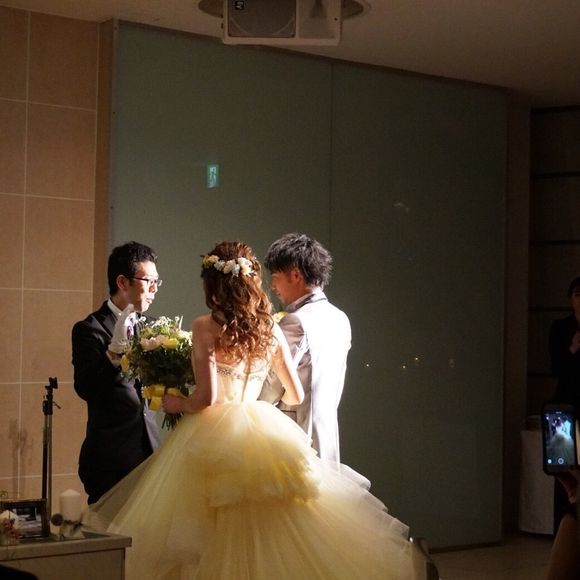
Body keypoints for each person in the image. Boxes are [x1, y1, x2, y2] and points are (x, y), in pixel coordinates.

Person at [86, 241, 422, 579]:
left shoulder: (205, 326)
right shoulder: (270, 327)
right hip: (261, 425)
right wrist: (258, 406)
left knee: (202, 529)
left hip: (211, 433)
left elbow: (207, 398)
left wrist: (178, 403)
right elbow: (295, 393)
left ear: (213, 284)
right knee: (275, 529)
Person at [72, 241, 161, 504]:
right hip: (110, 457)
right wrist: (113, 354)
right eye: (148, 281)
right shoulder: (90, 329)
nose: (154, 289)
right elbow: (86, 388)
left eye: (157, 282)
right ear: (123, 282)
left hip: (150, 451)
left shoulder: (153, 327)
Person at [260, 232, 351, 462]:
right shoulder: (340, 318)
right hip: (326, 434)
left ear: (295, 275)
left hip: (295, 436)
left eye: (275, 277)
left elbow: (273, 384)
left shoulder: (297, 321)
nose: (273, 286)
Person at [549, 276, 580, 532]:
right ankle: (564, 527)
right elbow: (556, 367)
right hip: (566, 405)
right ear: (571, 299)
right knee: (563, 466)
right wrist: (572, 348)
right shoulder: (561, 328)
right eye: (578, 295)